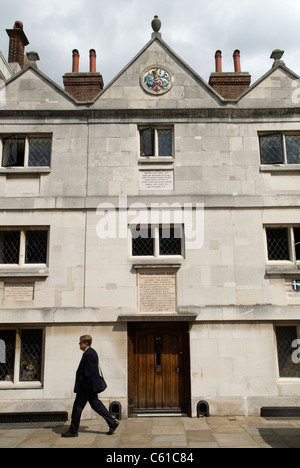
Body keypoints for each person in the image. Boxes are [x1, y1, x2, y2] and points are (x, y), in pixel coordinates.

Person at [62, 335, 119, 438]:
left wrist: (83, 387)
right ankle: (112, 422)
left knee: (77, 407)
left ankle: (73, 430)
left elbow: (88, 373)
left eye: (80, 342)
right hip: (89, 386)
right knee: (96, 405)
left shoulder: (89, 354)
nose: (79, 344)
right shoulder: (89, 353)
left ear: (86, 343)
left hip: (86, 387)